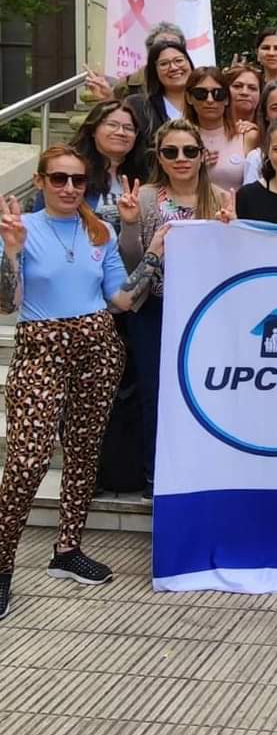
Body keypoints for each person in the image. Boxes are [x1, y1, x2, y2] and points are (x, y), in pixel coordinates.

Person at [0, 146, 165, 617]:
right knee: (27, 461)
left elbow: (120, 300)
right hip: (41, 348)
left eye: (77, 180)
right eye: (58, 179)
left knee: (84, 449)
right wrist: (10, 252)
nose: (69, 188)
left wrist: (150, 252)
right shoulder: (20, 228)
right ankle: (2, 567)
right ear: (39, 181)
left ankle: (67, 548)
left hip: (97, 346)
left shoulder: (101, 229)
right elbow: (7, 304)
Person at [119, 120, 226, 496]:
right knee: (154, 390)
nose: (181, 159)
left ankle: (201, 470)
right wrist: (131, 226)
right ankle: (155, 474)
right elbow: (130, 260)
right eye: (171, 152)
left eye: (189, 151)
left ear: (202, 155)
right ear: (159, 158)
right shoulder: (145, 197)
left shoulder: (221, 197)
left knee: (203, 392)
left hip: (206, 316)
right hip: (156, 309)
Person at [65, 100, 148, 228]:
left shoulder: (146, 174)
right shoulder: (69, 172)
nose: (120, 132)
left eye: (128, 128)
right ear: (93, 129)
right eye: (112, 125)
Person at [183, 66, 259, 191]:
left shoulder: (247, 135)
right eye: (200, 94)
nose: (210, 100)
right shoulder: (178, 137)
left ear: (227, 99)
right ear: (189, 98)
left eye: (218, 94)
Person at [124, 40, 193, 147]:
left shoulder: (208, 99)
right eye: (164, 64)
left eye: (179, 61)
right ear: (154, 71)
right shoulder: (138, 106)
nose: (174, 68)